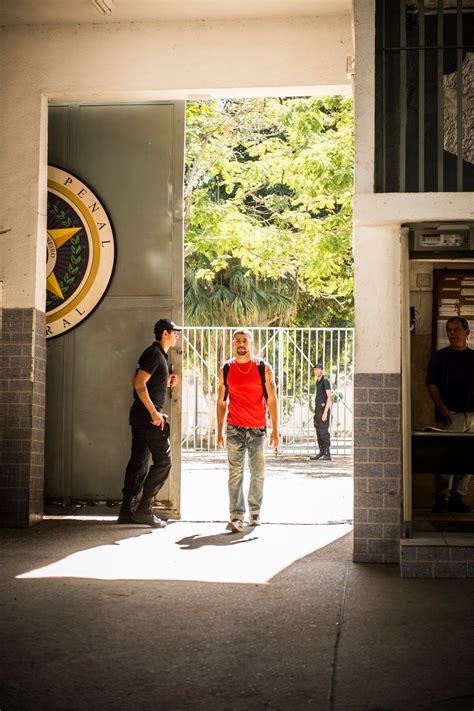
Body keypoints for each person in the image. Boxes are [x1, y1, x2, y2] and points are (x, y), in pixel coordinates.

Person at [118, 318, 181, 527]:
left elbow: (146, 381)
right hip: (148, 418)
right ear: (165, 333)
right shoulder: (154, 354)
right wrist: (155, 413)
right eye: (174, 332)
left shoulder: (159, 355)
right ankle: (144, 509)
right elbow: (138, 383)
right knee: (164, 462)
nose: (177, 336)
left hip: (140, 417)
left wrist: (165, 380)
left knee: (138, 462)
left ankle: (126, 511)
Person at [216, 328, 279, 532]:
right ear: (233, 344)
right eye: (237, 341)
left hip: (257, 429)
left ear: (251, 343)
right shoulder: (226, 368)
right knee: (235, 473)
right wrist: (219, 431)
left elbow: (272, 399)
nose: (241, 344)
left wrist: (275, 430)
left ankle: (255, 512)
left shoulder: (263, 368)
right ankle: (236, 515)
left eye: (245, 340)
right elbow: (221, 402)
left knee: (258, 473)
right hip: (234, 428)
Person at [425, 316, 474, 513]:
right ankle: (441, 498)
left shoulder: (473, 357)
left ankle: (457, 497)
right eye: (449, 330)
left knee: (468, 459)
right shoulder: (440, 357)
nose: (452, 334)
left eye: (456, 330)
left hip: (471, 415)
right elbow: (431, 384)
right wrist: (441, 407)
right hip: (449, 415)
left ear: (467, 333)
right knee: (445, 459)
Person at [310, 363, 333, 461]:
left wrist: (325, 412)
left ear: (322, 370)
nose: (316, 371)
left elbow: (330, 397)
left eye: (318, 369)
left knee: (324, 432)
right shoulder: (318, 382)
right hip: (318, 410)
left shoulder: (325, 381)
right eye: (315, 370)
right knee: (318, 431)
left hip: (324, 409)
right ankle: (322, 452)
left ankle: (327, 454)